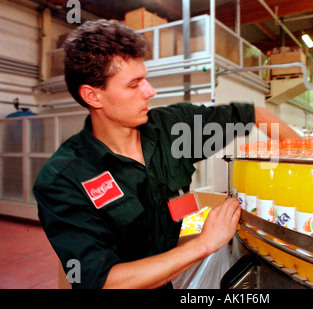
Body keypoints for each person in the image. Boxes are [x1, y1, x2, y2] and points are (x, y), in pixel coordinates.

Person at [33, 19, 299, 289]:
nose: (150, 91)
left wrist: (307, 158)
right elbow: (103, 281)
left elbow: (253, 114)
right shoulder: (64, 179)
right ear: (93, 96)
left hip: (171, 278)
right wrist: (206, 243)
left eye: (145, 78)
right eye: (134, 84)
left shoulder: (173, 128)